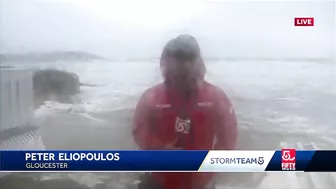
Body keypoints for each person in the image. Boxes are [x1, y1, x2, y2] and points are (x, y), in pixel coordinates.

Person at [132, 35, 238, 189]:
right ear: (168, 61)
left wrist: (213, 162)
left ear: (198, 61)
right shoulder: (151, 97)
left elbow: (229, 134)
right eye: (179, 58)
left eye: (190, 58)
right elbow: (139, 130)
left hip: (200, 181)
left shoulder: (215, 96)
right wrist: (160, 148)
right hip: (160, 178)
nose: (185, 64)